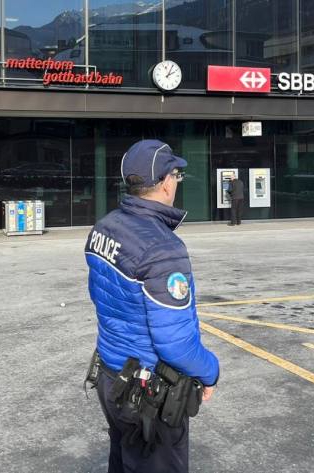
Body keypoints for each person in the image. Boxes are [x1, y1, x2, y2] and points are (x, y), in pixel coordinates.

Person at [84, 139, 220, 473]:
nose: (176, 182)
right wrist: (210, 370)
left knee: (124, 460)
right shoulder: (163, 248)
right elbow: (175, 343)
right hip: (149, 392)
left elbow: (100, 296)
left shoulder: (105, 227)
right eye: (176, 174)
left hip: (111, 375)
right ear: (164, 182)